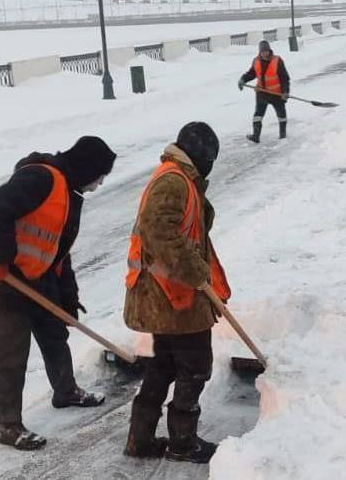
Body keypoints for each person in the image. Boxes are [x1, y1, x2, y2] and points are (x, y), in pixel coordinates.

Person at [0, 136, 117, 451]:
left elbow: (57, 251)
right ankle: (7, 424)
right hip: (5, 279)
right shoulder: (41, 177)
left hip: (37, 277)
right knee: (10, 353)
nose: (100, 183)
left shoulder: (68, 192)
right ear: (87, 168)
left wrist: (67, 296)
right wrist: (3, 259)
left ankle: (65, 391)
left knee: (55, 333)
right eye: (100, 176)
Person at [123, 122, 231, 464]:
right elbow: (158, 229)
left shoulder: (180, 178)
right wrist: (196, 272)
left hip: (167, 293)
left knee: (165, 364)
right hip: (171, 295)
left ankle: (140, 439)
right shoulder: (173, 180)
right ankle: (183, 443)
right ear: (202, 156)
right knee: (195, 365)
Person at [237, 40, 291, 143]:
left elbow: (284, 78)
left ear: (269, 50)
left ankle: (282, 135)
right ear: (259, 52)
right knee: (258, 116)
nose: (264, 53)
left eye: (266, 51)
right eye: (262, 51)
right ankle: (256, 136)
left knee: (281, 115)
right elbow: (251, 73)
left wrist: (285, 92)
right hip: (262, 93)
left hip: (277, 93)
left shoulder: (277, 60)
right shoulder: (256, 61)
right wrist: (243, 79)